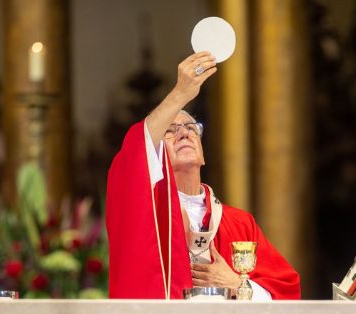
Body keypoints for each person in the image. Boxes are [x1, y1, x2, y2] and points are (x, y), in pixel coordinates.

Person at [106, 51, 301, 300]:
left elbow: (287, 291)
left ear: (203, 154)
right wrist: (180, 94)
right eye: (170, 130)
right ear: (153, 154)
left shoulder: (239, 224)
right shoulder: (146, 213)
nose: (184, 134)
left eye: (191, 128)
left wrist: (238, 284)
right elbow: (132, 157)